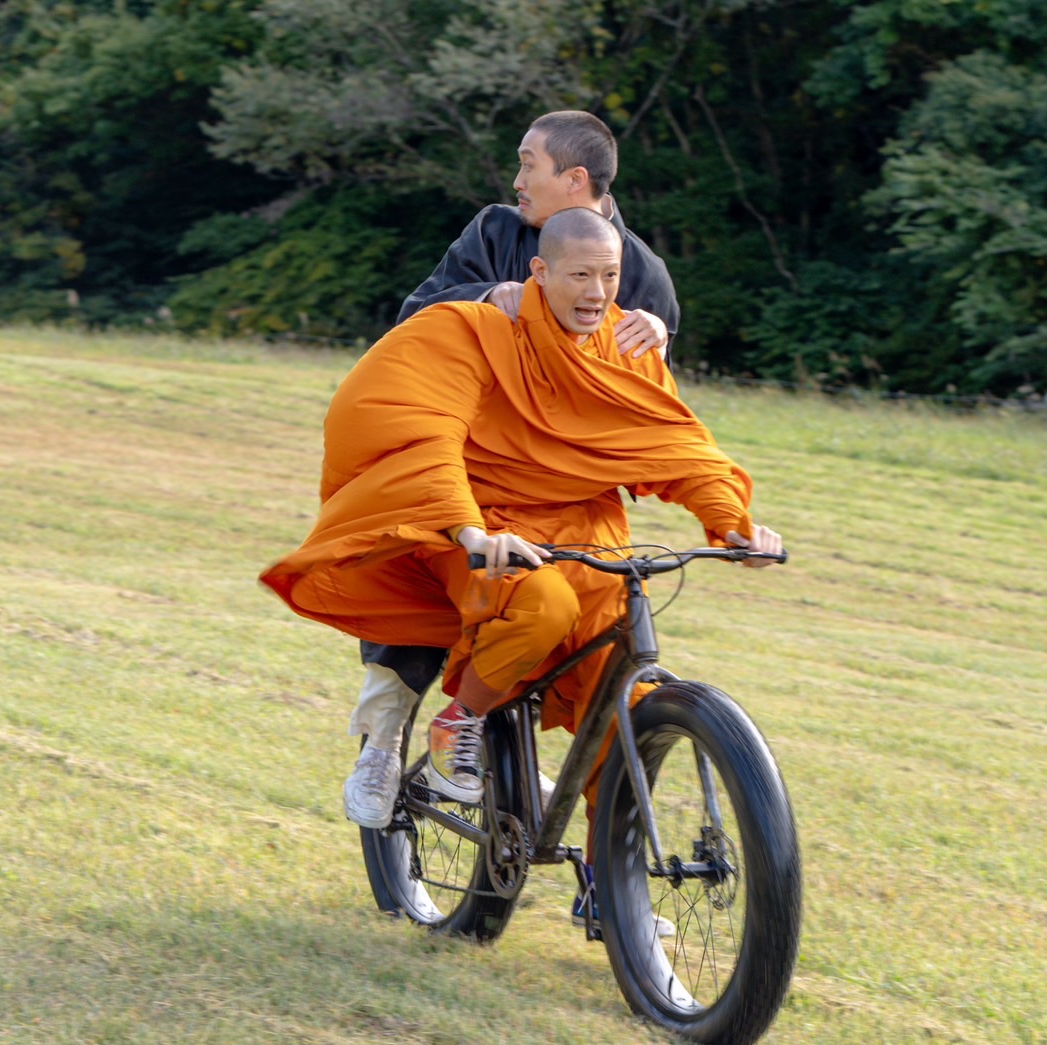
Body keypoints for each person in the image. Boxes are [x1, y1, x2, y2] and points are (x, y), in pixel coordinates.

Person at [260, 209, 781, 930]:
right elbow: (421, 431)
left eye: (608, 277)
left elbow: (678, 448)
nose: (596, 292)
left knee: (620, 697)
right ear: (540, 272)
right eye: (579, 275)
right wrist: (468, 528)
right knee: (542, 607)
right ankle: (460, 720)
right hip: (482, 529)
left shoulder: (627, 346)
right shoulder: (476, 328)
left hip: (588, 539)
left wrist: (733, 524)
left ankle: (607, 883)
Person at [346, 110, 681, 832]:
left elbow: (647, 399)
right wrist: (482, 298)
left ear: (575, 178)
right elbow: (412, 318)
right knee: (429, 583)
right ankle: (383, 742)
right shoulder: (493, 232)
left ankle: (607, 853)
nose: (517, 178)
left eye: (529, 163)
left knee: (604, 640)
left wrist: (661, 334)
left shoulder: (645, 273)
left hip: (566, 490)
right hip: (468, 466)